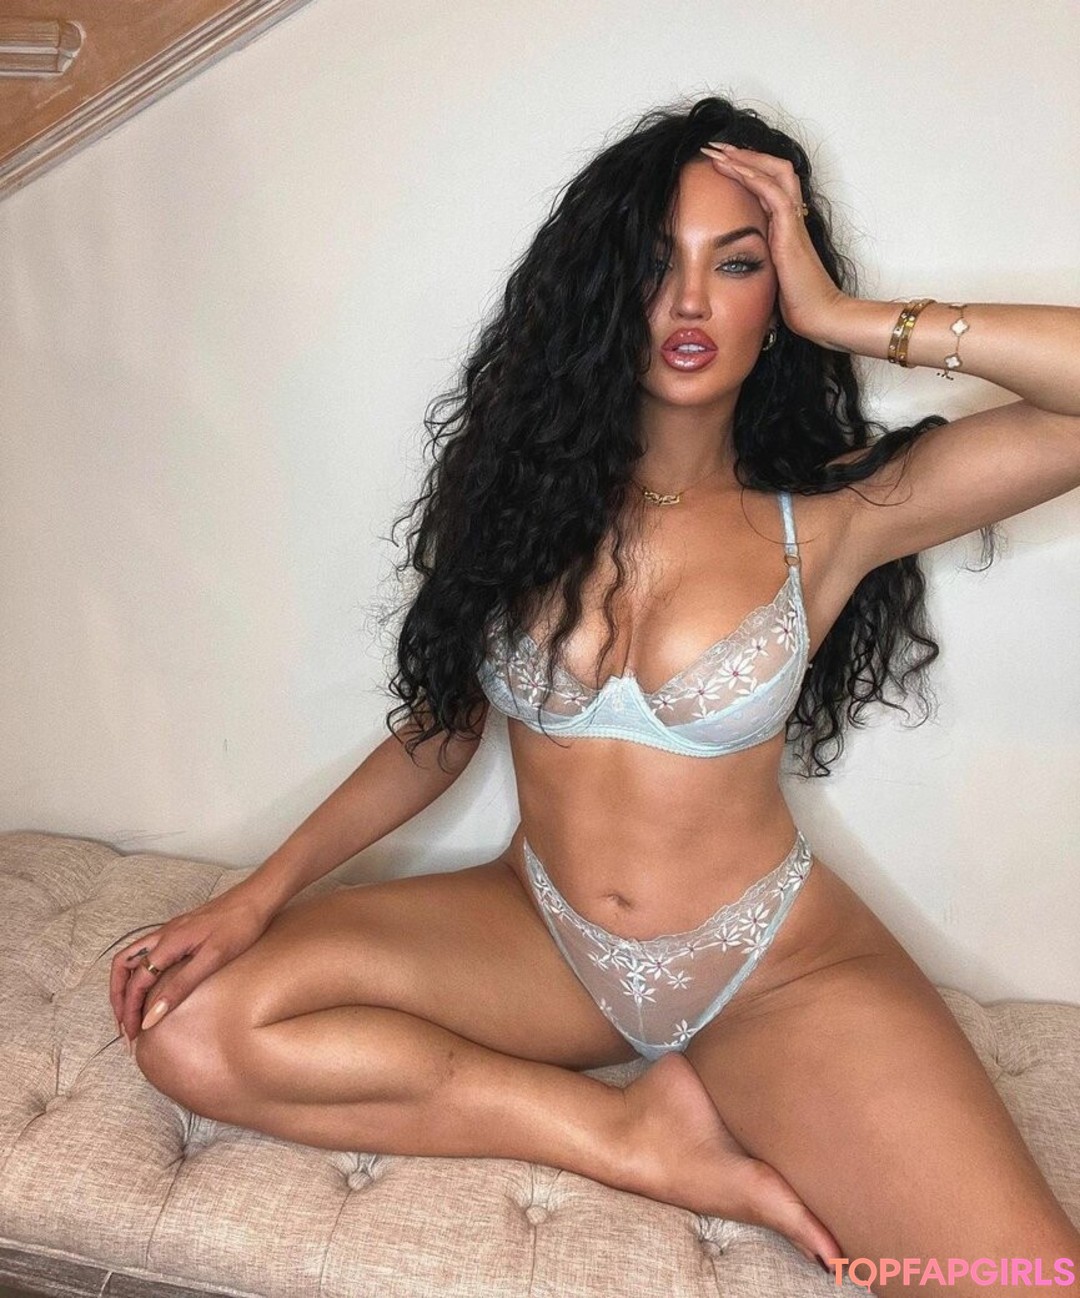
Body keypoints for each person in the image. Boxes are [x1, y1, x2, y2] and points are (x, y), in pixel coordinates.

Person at [105, 96, 1080, 1286]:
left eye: (738, 264)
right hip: (542, 937)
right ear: (605, 290)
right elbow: (443, 731)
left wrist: (847, 315)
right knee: (195, 1034)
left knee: (1028, 1279)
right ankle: (626, 1131)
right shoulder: (526, 500)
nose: (690, 302)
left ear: (777, 294)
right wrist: (255, 896)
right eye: (656, 264)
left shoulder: (834, 515)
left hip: (770, 970)